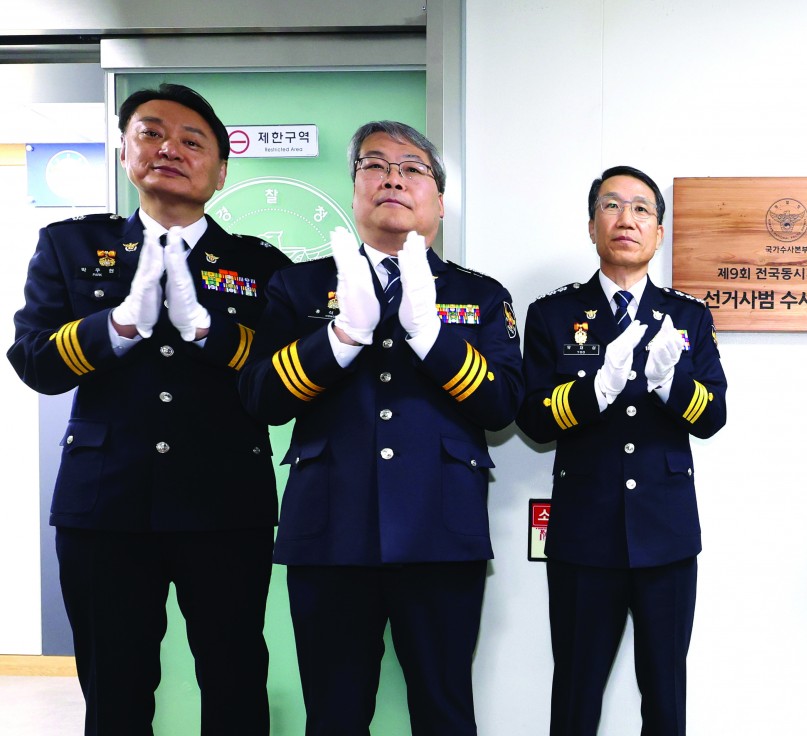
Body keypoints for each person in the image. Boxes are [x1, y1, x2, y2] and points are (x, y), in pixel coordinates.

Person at [8, 83, 289, 734]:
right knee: (114, 692)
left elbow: (278, 385)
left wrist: (211, 333)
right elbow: (35, 362)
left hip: (225, 506)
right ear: (125, 153)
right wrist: (115, 325)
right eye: (151, 133)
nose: (170, 149)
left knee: (236, 684)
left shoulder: (260, 264)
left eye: (193, 141)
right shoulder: (70, 247)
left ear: (220, 171)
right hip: (106, 505)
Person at [237, 120, 522, 734]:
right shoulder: (298, 286)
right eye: (375, 164)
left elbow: (502, 406)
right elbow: (260, 399)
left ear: (439, 200)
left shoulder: (480, 293)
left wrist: (434, 339)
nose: (393, 177)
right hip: (330, 530)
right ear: (355, 188)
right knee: (334, 717)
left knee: (445, 714)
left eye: (412, 168)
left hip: (441, 531)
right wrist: (341, 337)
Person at [516, 165, 727, 736]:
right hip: (584, 534)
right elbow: (532, 419)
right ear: (592, 226)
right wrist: (596, 390)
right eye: (611, 206)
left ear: (659, 231)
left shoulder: (688, 315)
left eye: (641, 209)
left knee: (665, 695)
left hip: (666, 534)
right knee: (576, 694)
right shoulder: (553, 314)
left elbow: (713, 417)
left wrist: (669, 384)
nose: (626, 219)